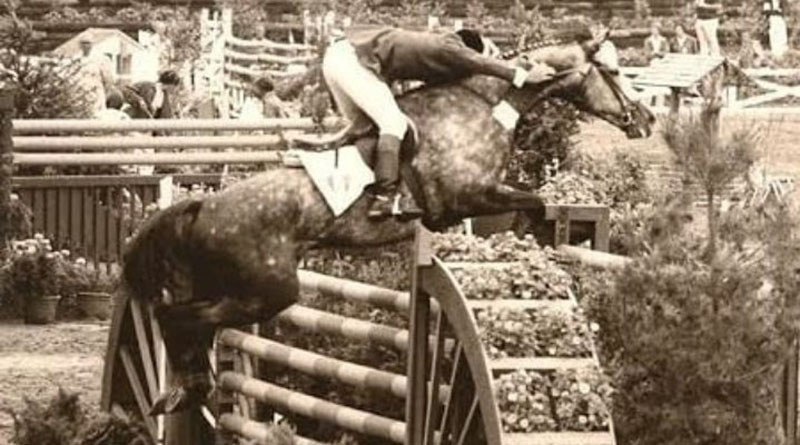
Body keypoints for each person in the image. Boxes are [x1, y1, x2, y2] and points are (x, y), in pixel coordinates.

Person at [322, 27, 555, 220]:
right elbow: (480, 63)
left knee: (366, 127)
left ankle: (348, 198)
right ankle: (384, 198)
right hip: (349, 62)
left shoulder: (437, 52)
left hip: (340, 58)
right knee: (393, 124)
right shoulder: (450, 48)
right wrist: (522, 75)